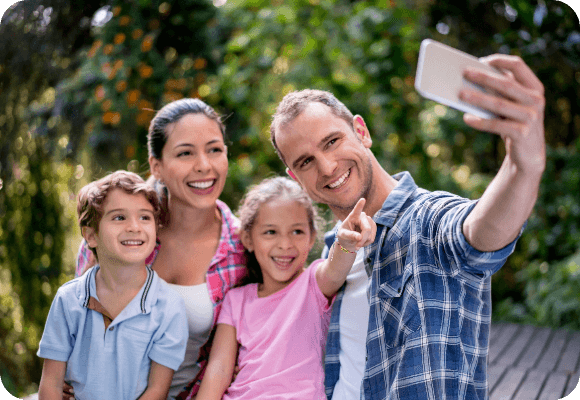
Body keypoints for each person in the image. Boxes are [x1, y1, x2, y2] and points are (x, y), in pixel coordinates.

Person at [269, 54, 545, 400]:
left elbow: (478, 232)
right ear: (296, 178)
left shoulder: (427, 219)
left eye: (332, 141)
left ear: (361, 131)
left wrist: (525, 166)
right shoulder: (331, 255)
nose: (326, 167)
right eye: (306, 161)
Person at [72, 99, 247, 400]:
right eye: (185, 153)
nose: (204, 165)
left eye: (215, 149)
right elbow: (76, 328)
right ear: (157, 166)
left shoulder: (244, 248)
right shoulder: (114, 233)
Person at [196, 177, 376, 399]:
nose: (285, 244)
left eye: (297, 232)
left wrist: (346, 243)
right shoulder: (236, 299)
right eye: (271, 232)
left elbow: (335, 268)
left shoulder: (314, 283)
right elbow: (219, 370)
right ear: (248, 239)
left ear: (311, 238)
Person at [37, 170, 188, 400]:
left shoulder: (169, 306)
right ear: (91, 235)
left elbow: (157, 391)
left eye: (145, 217)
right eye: (119, 217)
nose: (134, 227)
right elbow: (50, 384)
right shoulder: (68, 300)